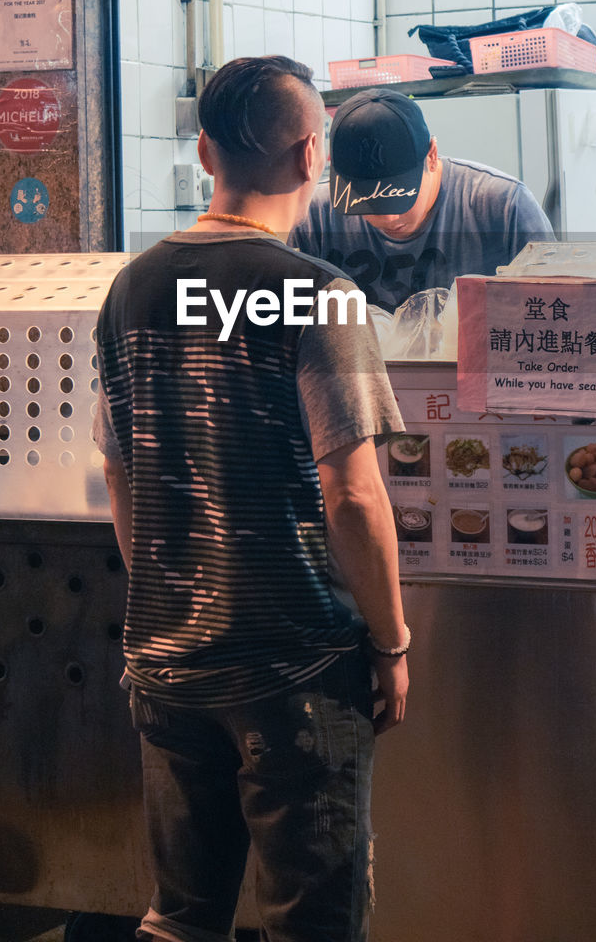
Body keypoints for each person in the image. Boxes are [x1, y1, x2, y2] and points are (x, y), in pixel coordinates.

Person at [93, 55, 409, 942]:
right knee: (310, 918)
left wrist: (170, 596)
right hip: (294, 669)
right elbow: (352, 496)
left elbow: (119, 470)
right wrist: (389, 640)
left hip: (166, 659)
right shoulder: (319, 296)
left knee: (181, 916)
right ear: (314, 156)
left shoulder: (134, 289)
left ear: (204, 152)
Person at [289, 86, 554, 311]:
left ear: (432, 155)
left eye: (400, 194)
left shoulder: (503, 207)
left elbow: (557, 314)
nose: (388, 218)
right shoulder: (313, 218)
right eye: (366, 199)